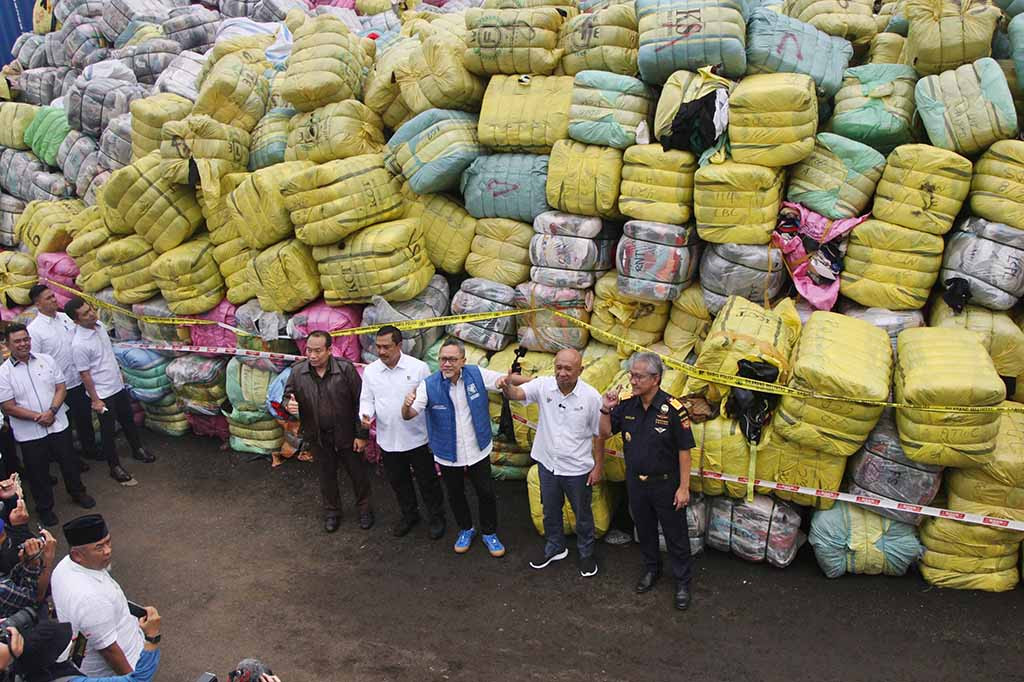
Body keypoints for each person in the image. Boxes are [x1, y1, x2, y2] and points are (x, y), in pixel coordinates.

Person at [599, 352, 695, 611]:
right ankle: (652, 570)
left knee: (676, 535)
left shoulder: (674, 409)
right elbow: (606, 432)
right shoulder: (627, 405)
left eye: (639, 376)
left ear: (656, 379)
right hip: (636, 484)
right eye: (632, 375)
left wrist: (683, 488)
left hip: (666, 483)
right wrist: (606, 408)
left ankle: (683, 582)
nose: (633, 380)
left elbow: (684, 451)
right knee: (646, 531)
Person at [401, 338, 510, 557]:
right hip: (447, 452)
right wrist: (405, 405)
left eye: (452, 359)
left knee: (486, 492)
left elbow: (500, 381)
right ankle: (466, 529)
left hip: (478, 448)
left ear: (463, 361)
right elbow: (410, 415)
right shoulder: (429, 385)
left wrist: (516, 379)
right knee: (455, 493)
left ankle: (489, 533)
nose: (446, 364)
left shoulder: (475, 374)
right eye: (443, 359)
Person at [502, 348, 604, 577]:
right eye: (559, 367)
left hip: (577, 468)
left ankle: (586, 555)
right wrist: (507, 387)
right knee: (550, 510)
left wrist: (598, 467)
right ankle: (555, 547)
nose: (563, 373)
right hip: (548, 464)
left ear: (581, 370)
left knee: (582, 515)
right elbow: (517, 394)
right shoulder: (544, 386)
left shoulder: (591, 397)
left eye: (569, 368)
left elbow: (599, 435)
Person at [0, 324, 95, 526]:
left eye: (26, 339)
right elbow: (8, 407)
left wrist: (51, 412)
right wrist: (38, 417)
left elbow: (61, 388)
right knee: (38, 472)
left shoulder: (46, 360)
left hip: (57, 423)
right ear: (7, 344)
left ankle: (78, 493)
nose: (23, 344)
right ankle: (45, 508)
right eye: (17, 341)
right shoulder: (3, 373)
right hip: (29, 433)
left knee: (69, 462)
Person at [359, 325, 445, 539]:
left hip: (417, 438)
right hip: (388, 439)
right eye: (378, 347)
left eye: (386, 347)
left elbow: (430, 400)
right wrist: (366, 415)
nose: (381, 352)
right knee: (399, 482)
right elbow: (366, 399)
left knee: (428, 481)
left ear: (399, 345)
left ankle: (436, 517)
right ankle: (409, 515)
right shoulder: (371, 371)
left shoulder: (418, 368)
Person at [284, 331, 371, 533]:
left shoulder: (345, 369)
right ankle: (332, 513)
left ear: (329, 350)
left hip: (347, 434)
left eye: (317, 351)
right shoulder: (298, 372)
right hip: (318, 435)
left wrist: (361, 434)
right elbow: (286, 396)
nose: (312, 356)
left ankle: (365, 509)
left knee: (358, 474)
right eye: (309, 350)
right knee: (326, 476)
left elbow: (361, 402)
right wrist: (289, 404)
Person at [65, 298, 153, 487]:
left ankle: (137, 449)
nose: (91, 314)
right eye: (85, 314)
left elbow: (108, 355)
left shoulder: (99, 326)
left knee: (128, 419)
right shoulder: (79, 344)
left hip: (117, 385)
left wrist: (120, 375)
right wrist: (96, 400)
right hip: (102, 393)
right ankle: (114, 467)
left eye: (90, 310)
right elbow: (85, 374)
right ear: (76, 320)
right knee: (108, 431)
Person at [51, 514, 150, 677]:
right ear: (77, 555)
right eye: (99, 547)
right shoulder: (91, 599)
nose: (108, 551)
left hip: (85, 651)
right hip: (124, 666)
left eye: (108, 542)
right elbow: (110, 651)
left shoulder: (65, 566)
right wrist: (133, 679)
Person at [27, 284, 98, 469]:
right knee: (65, 425)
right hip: (58, 386)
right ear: (38, 304)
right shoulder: (35, 330)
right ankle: (72, 460)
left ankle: (90, 449)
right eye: (48, 298)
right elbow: (35, 361)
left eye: (53, 296)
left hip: (78, 379)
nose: (53, 299)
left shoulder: (65, 318)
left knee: (84, 418)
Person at [0, 607, 162, 682]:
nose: (72, 641)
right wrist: (152, 637)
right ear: (53, 659)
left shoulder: (18, 670)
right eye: (66, 643)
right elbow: (138, 680)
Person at [0, 527, 57, 618]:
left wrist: (28, 563)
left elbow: (11, 579)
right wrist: (48, 559)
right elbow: (37, 599)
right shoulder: (3, 589)